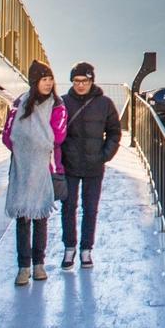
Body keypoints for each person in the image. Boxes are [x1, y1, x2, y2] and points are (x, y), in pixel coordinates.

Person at [2, 61, 67, 286]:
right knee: (23, 218)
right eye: (43, 79)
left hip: (45, 168)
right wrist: (28, 149)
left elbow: (57, 137)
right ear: (34, 81)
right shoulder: (19, 103)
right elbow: (8, 135)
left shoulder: (57, 105)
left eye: (50, 79)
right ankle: (23, 266)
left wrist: (30, 142)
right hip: (22, 167)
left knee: (40, 217)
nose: (48, 83)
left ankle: (38, 263)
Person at [59, 62, 121, 270]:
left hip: (94, 166)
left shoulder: (105, 104)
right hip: (70, 164)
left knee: (90, 209)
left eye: (84, 81)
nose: (80, 85)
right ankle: (69, 248)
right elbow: (56, 132)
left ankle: (86, 250)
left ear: (92, 80)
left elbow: (114, 132)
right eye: (76, 81)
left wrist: (104, 155)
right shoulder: (63, 103)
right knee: (68, 208)